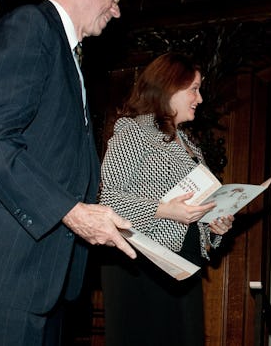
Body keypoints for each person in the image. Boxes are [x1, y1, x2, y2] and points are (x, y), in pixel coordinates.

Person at [0, 0, 137, 346]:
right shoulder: (29, 27)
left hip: (45, 275)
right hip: (4, 270)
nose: (117, 9)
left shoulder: (69, 53)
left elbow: (60, 162)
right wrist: (70, 211)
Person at [99, 51, 235, 346]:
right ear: (169, 87)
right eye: (194, 89)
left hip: (183, 264)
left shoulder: (192, 146)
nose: (199, 98)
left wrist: (214, 228)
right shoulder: (132, 131)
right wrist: (163, 210)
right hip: (141, 263)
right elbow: (107, 199)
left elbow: (194, 209)